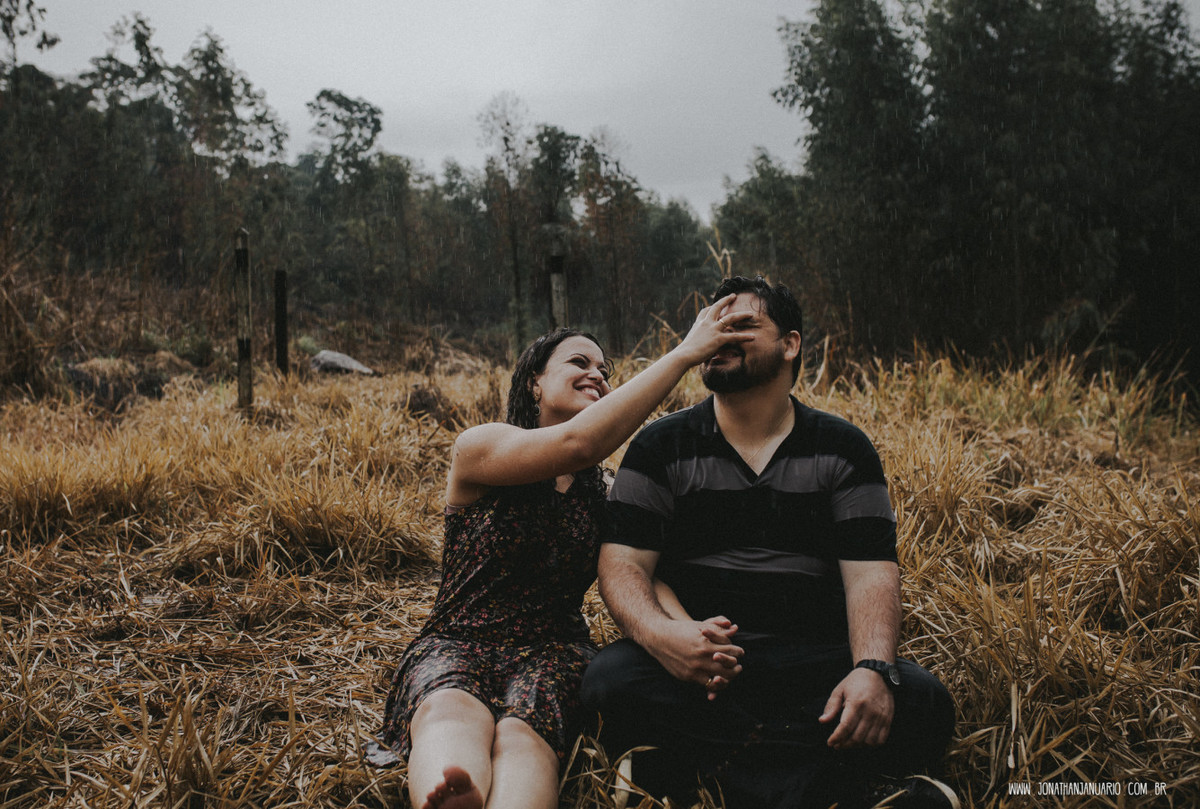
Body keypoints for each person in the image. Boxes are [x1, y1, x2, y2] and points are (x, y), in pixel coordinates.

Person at [580, 276, 957, 809]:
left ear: (791, 343)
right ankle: (828, 788)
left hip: (812, 665)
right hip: (702, 667)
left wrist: (871, 668)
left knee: (922, 701)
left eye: (741, 326)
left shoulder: (844, 449)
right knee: (608, 681)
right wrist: (665, 638)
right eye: (712, 327)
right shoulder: (659, 446)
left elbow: (871, 572)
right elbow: (621, 566)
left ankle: (688, 777)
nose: (719, 339)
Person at [370, 298, 754, 809]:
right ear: (533, 381)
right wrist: (684, 353)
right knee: (448, 708)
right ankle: (451, 792)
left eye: (604, 370)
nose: (597, 374)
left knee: (524, 738)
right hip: (458, 640)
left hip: (554, 651)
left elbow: (643, 569)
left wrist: (686, 630)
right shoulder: (481, 448)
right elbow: (578, 445)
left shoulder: (607, 491)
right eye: (579, 362)